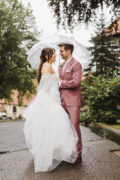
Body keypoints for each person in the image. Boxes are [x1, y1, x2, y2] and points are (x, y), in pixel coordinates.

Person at [23, 48, 78, 173]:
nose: (55, 55)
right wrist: (48, 100)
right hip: (50, 99)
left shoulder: (48, 66)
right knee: (51, 127)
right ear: (47, 56)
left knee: (51, 127)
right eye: (53, 54)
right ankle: (46, 156)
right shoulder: (47, 66)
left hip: (54, 98)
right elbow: (45, 86)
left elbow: (55, 82)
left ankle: (51, 152)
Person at [58, 43, 82, 162]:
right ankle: (68, 153)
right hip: (62, 102)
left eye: (61, 51)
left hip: (73, 102)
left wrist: (60, 83)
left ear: (68, 51)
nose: (60, 53)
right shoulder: (61, 65)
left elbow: (75, 82)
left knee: (74, 127)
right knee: (65, 129)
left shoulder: (76, 64)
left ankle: (78, 155)